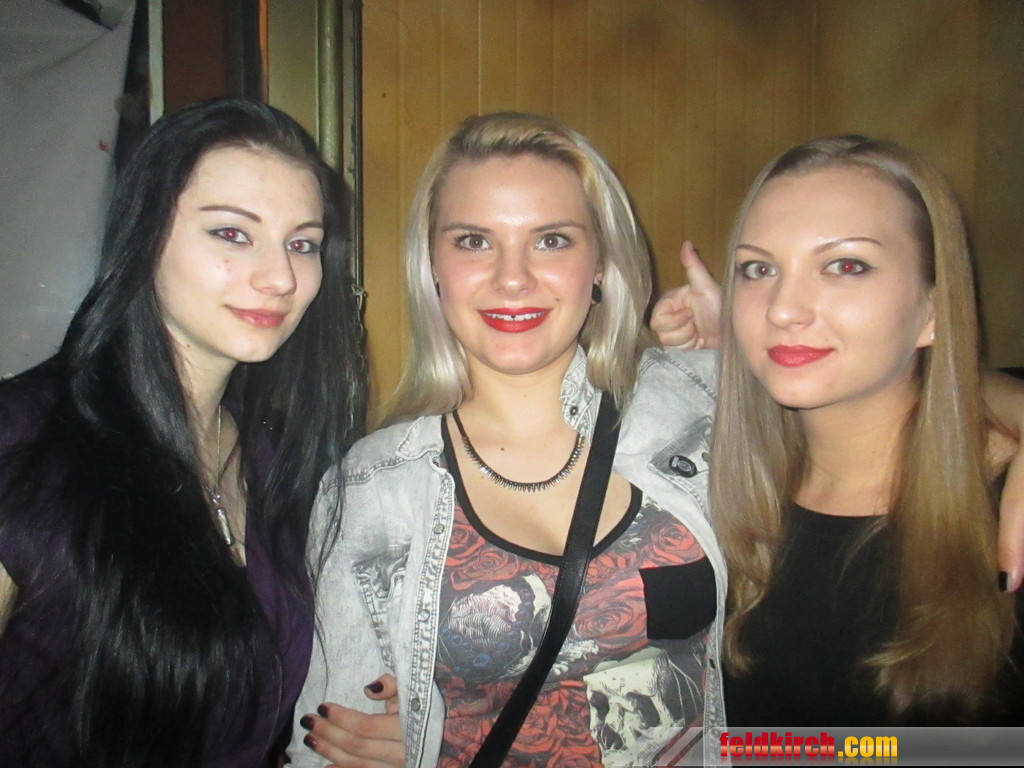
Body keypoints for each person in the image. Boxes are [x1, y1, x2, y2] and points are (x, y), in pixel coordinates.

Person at [291, 112, 727, 767]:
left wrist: (742, 372)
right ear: (432, 266)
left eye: (551, 240)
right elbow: (331, 747)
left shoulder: (693, 413)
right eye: (474, 241)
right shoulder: (371, 489)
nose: (512, 277)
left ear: (601, 263)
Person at [0, 98, 367, 767]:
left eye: (302, 244)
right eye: (231, 233)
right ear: (144, 235)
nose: (280, 277)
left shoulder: (279, 459)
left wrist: (376, 729)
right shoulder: (22, 441)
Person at [660, 136, 1024, 724]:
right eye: (759, 269)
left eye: (845, 266)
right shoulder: (703, 490)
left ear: (933, 309)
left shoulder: (1007, 512)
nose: (782, 309)